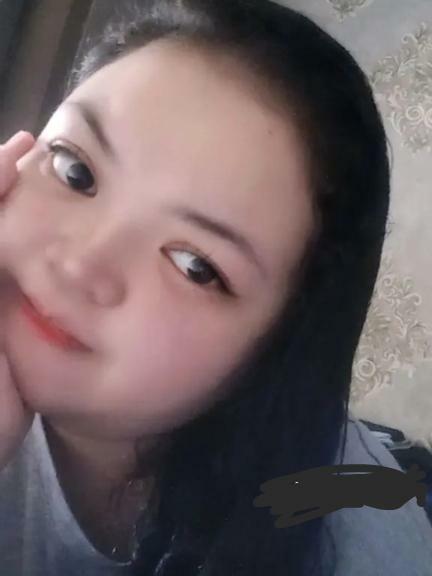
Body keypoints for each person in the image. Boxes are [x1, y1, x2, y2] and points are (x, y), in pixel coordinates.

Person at [0, 1, 431, 575]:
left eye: (196, 266)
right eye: (75, 171)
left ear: (277, 346)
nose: (80, 265)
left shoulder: (360, 552)